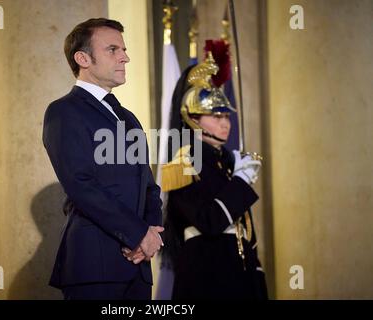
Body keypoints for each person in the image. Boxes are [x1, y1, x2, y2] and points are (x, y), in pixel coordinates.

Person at [42, 18, 163, 300]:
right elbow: (81, 185)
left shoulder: (129, 118)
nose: (125, 57)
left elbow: (149, 187)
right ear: (83, 58)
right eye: (113, 49)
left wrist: (151, 237)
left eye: (124, 49)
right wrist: (138, 235)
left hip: (138, 267)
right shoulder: (63, 112)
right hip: (94, 265)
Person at [160, 49, 268, 299]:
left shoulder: (227, 165)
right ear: (193, 118)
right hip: (208, 278)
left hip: (242, 277)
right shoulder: (184, 163)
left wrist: (256, 275)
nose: (225, 123)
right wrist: (240, 182)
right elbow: (210, 221)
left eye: (226, 115)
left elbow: (246, 234)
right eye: (216, 115)